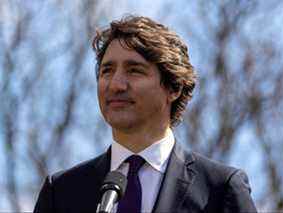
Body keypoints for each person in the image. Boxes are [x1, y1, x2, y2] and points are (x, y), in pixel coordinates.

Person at [34, 15, 257, 213]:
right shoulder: (61, 192)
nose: (116, 85)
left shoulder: (220, 189)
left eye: (134, 70)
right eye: (107, 71)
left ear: (173, 88)